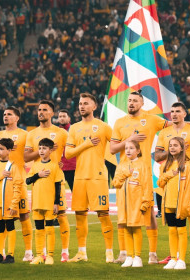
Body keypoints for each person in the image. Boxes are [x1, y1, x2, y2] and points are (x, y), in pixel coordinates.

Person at [110, 90, 190, 264]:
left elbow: (175, 122)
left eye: (135, 100)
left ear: (142, 103)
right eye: (129, 100)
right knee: (124, 213)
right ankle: (124, 253)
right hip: (124, 172)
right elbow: (113, 149)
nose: (131, 103)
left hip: (143, 173)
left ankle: (152, 254)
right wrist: (130, 138)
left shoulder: (152, 119)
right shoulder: (120, 122)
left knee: (149, 212)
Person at [65, 93, 114, 263]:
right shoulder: (74, 128)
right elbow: (68, 153)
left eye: (86, 103)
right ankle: (81, 252)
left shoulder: (103, 127)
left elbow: (115, 146)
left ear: (94, 107)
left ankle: (109, 253)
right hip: (79, 177)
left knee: (103, 213)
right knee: (80, 214)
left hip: (98, 176)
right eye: (80, 103)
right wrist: (86, 144)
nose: (82, 106)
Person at [154, 102, 190, 266]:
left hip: (189, 179)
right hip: (171, 181)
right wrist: (175, 150)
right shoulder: (164, 133)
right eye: (172, 111)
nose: (174, 114)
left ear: (184, 114)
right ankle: (173, 255)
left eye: (178, 111)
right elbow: (157, 156)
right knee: (172, 220)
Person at [24, 100, 70, 262]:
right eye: (39, 110)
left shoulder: (62, 133)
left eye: (45, 110)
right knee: (39, 218)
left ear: (52, 113)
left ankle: (65, 251)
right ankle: (41, 253)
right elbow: (26, 157)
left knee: (61, 215)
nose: (41, 112)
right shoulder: (32, 134)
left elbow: (71, 151)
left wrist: (63, 162)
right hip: (39, 180)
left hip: (55, 179)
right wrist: (44, 151)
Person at [0, 106, 33, 262]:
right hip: (1, 180)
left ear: (17, 117)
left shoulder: (25, 135)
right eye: (4, 114)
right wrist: (2, 149)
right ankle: (2, 252)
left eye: (9, 114)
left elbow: (31, 154)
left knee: (24, 215)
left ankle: (28, 251)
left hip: (18, 179)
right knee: (2, 218)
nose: (5, 116)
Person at [157, 136, 190, 270]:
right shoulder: (165, 165)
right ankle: (173, 258)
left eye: (175, 145)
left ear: (182, 148)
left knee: (181, 230)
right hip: (168, 203)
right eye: (170, 145)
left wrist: (186, 203)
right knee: (172, 230)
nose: (172, 148)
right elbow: (160, 183)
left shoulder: (187, 166)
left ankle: (182, 260)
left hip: (181, 204)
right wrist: (170, 174)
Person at [112, 140, 152, 268]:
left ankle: (137, 257)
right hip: (124, 203)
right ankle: (129, 256)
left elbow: (147, 185)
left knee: (136, 228)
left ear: (138, 151)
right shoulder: (122, 165)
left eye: (131, 148)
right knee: (127, 228)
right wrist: (126, 173)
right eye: (126, 148)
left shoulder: (143, 165)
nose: (128, 150)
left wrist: (146, 202)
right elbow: (116, 183)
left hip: (137, 202)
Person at [26, 138, 65, 265]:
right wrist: (38, 175)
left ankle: (50, 255)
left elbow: (58, 186)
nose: (41, 151)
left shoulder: (54, 166)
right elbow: (27, 181)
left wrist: (56, 203)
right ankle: (39, 255)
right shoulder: (35, 165)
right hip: (37, 203)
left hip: (49, 204)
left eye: (44, 148)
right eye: (40, 148)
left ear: (50, 150)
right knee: (38, 229)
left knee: (49, 229)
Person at [57, 109, 77, 192]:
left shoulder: (74, 130)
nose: (62, 118)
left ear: (69, 118)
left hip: (72, 166)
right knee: (57, 193)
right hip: (59, 166)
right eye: (60, 116)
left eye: (64, 116)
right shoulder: (55, 131)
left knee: (76, 191)